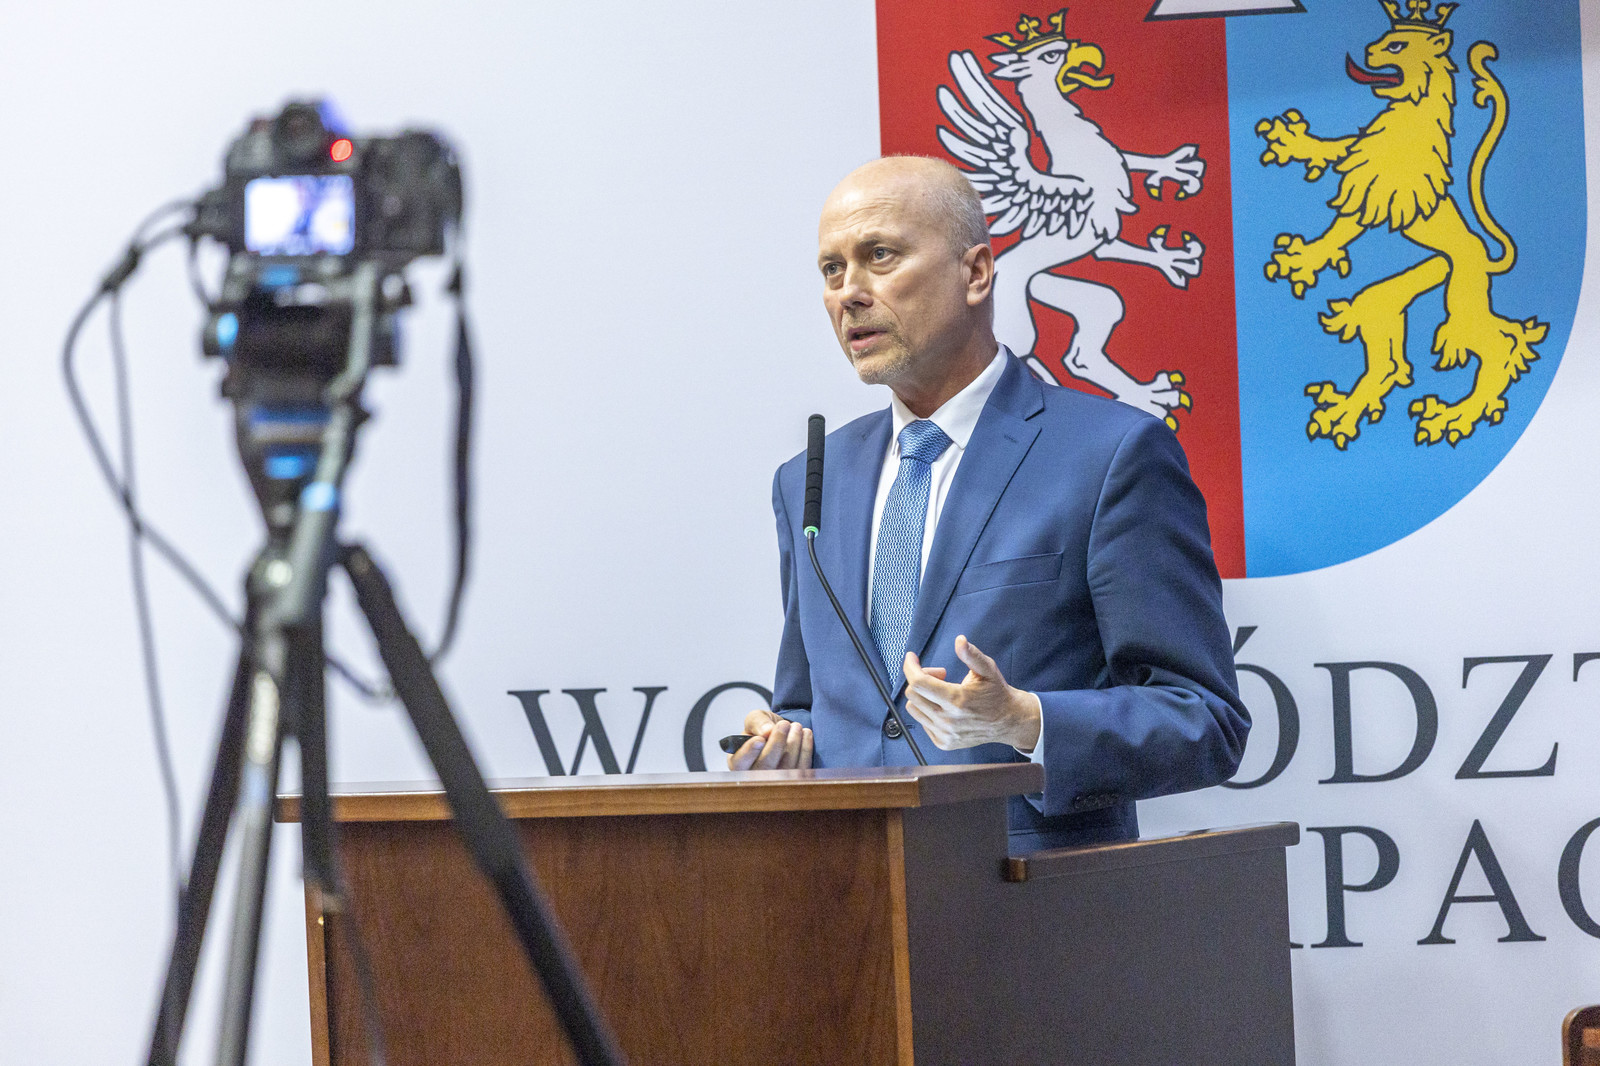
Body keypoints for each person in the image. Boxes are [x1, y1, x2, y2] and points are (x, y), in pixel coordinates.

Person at [728, 156, 1248, 849]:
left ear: (975, 273)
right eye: (831, 269)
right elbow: (811, 703)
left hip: (1027, 895)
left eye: (879, 256)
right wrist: (784, 743)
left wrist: (1025, 721)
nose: (849, 292)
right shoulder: (809, 480)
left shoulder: (1110, 455)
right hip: (850, 887)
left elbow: (1203, 719)